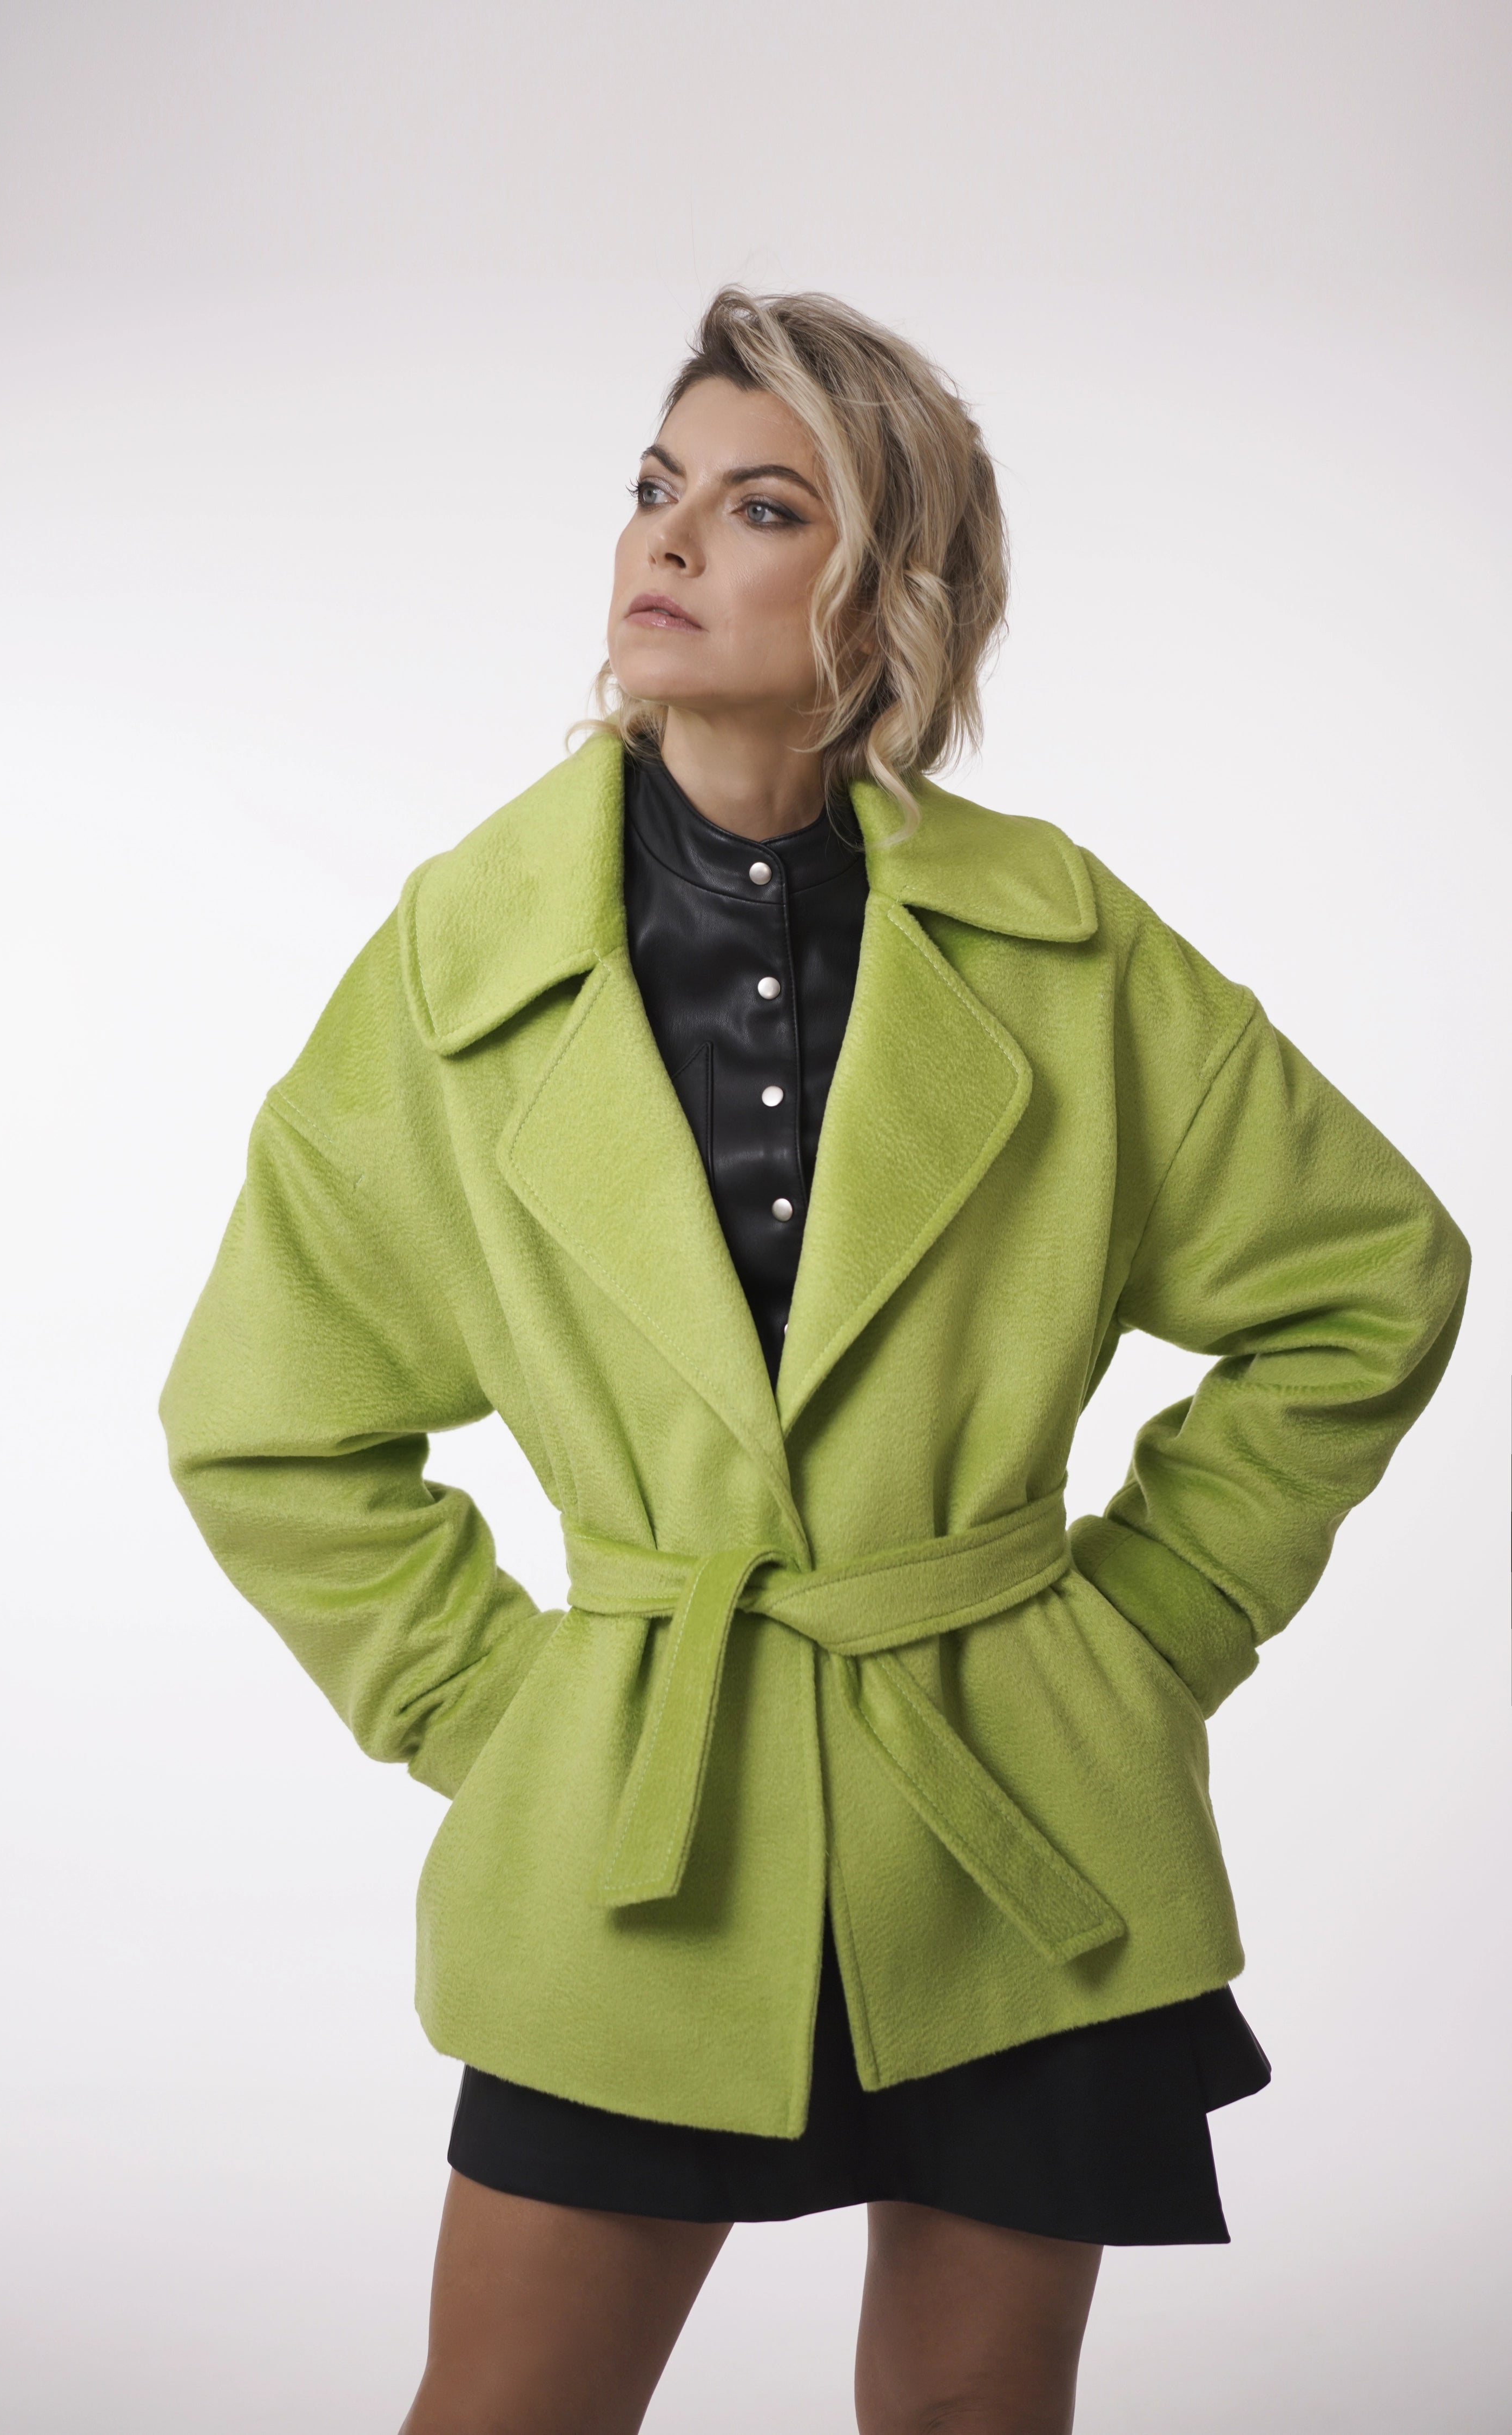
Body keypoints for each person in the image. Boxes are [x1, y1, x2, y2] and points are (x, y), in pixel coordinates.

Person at [160, 289, 1469, 2435]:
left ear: (895, 600)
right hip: (642, 1831)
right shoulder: (453, 965)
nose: (667, 544)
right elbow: (265, 1416)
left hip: (1014, 1814)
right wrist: (502, 1710)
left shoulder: (1070, 948)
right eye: (655, 490)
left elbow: (1367, 1280)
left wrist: (1145, 1633)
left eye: (759, 506)